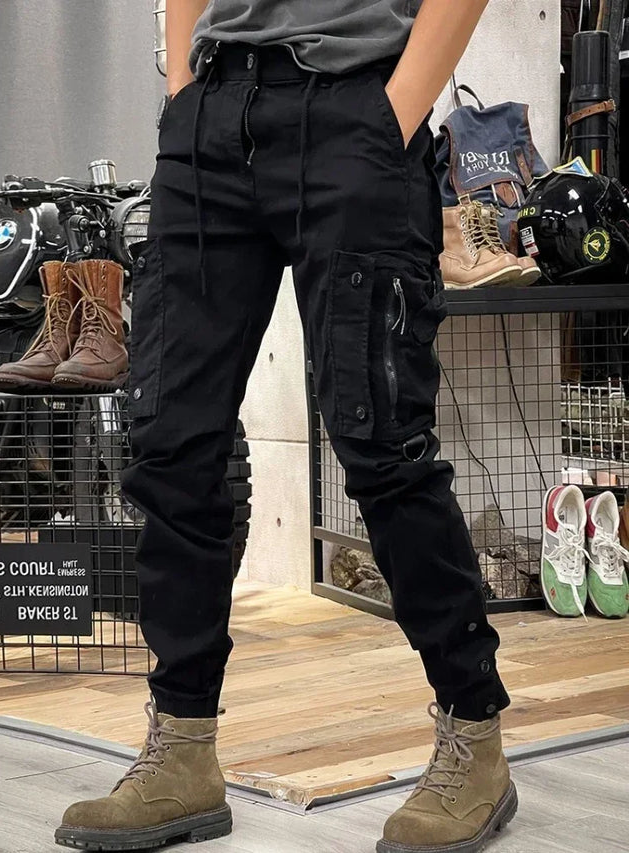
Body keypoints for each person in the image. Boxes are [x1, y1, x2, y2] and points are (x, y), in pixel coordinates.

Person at [55, 1, 516, 851]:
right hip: (211, 118)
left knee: (381, 444)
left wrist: (395, 111)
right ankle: (182, 748)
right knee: (168, 438)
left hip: (355, 109)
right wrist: (184, 89)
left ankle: (473, 731)